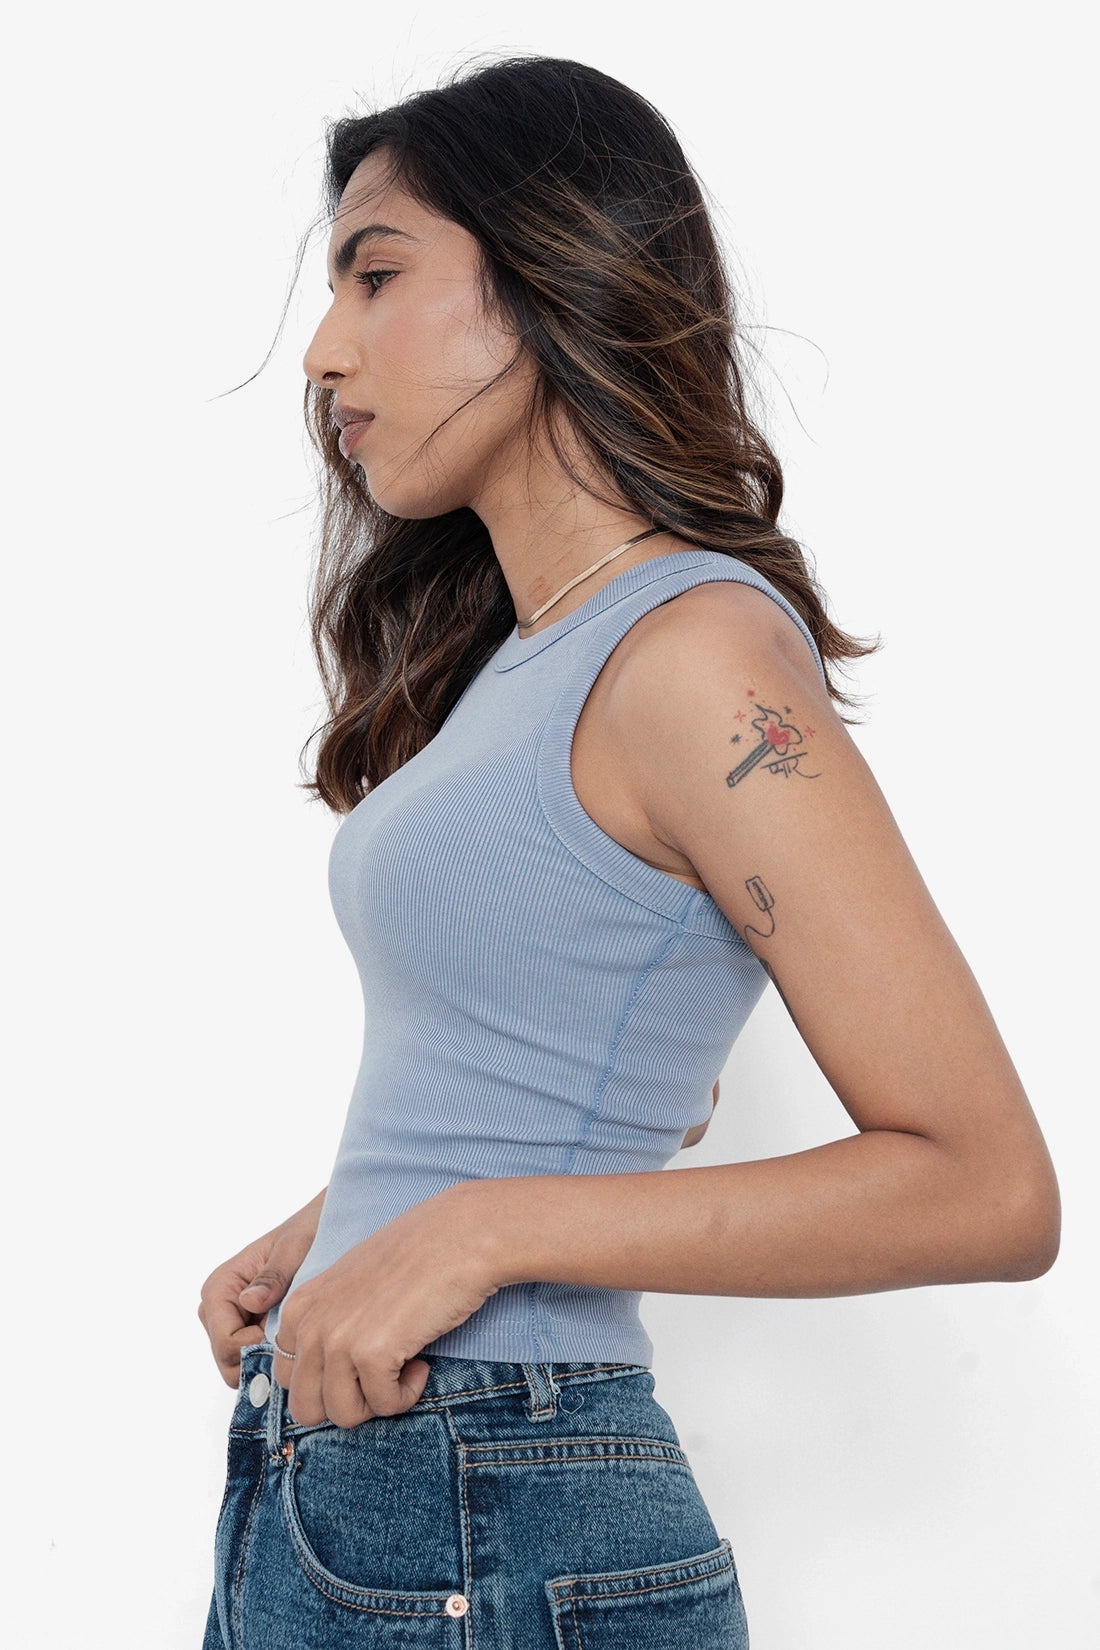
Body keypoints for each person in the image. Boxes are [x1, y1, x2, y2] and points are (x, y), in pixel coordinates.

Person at [197, 54, 1060, 1649]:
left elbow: (987, 1184)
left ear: (546, 276)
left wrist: (475, 1232)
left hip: (496, 1495)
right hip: (371, 1484)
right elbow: (574, 1045)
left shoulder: (696, 656)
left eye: (374, 275)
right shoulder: (530, 659)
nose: (324, 350)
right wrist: (347, 1226)